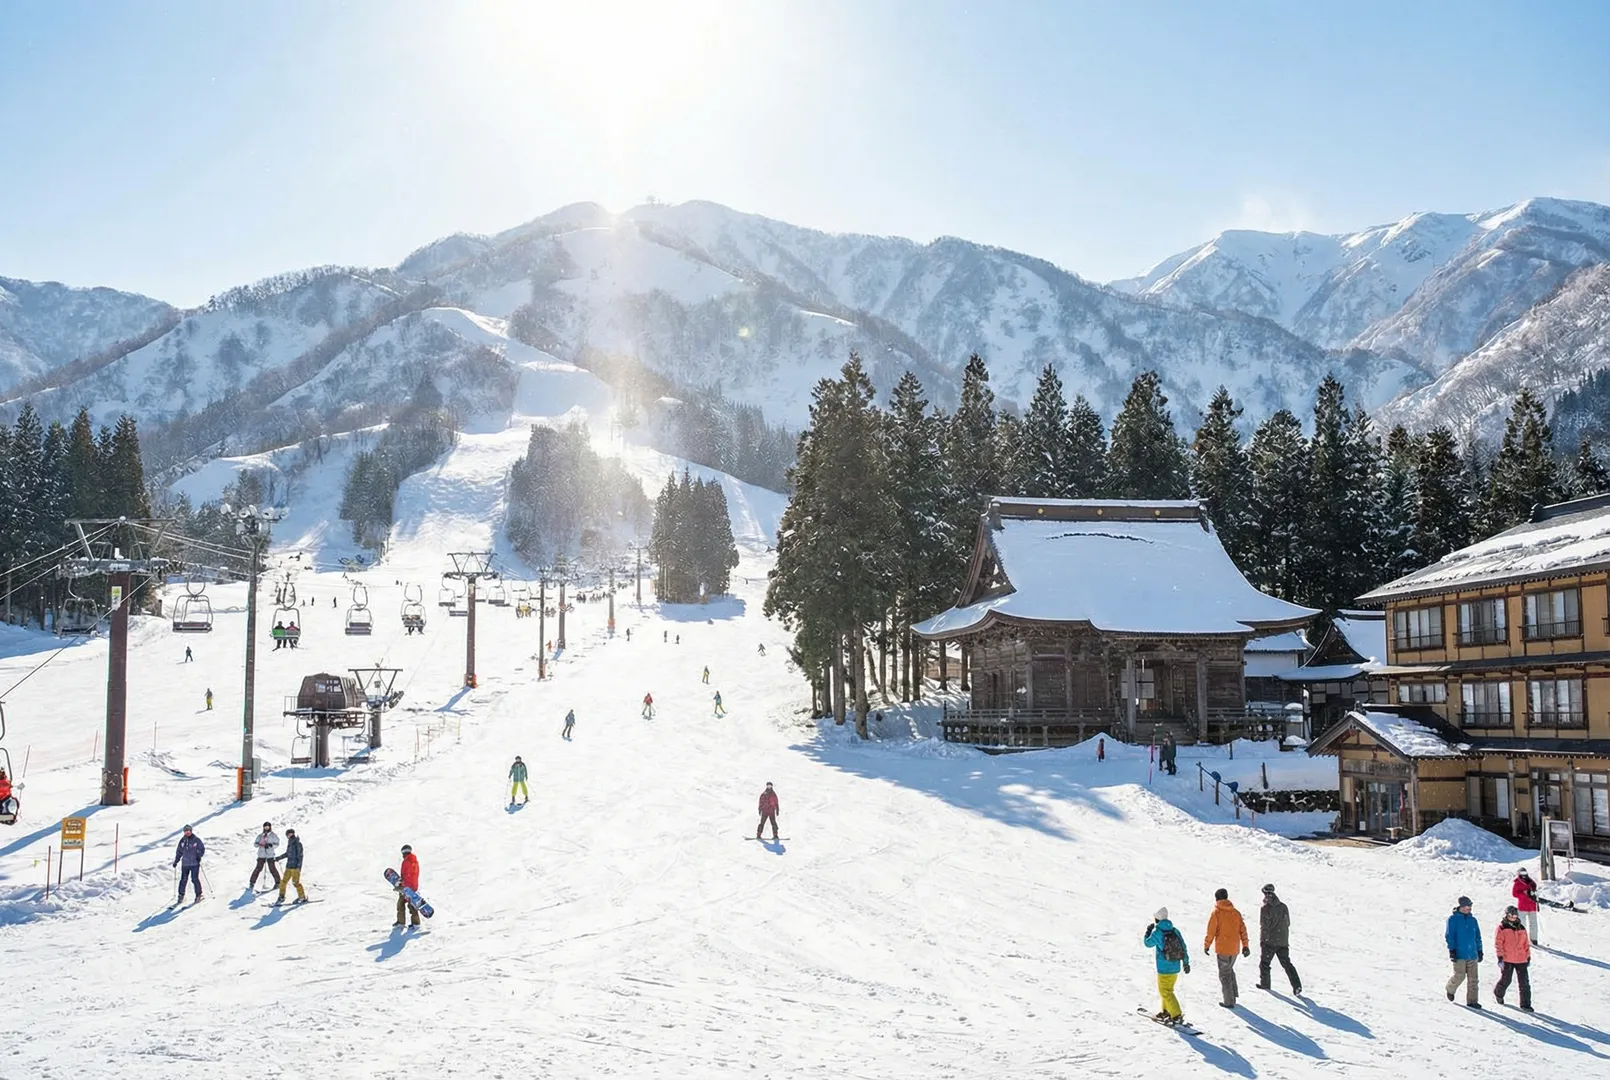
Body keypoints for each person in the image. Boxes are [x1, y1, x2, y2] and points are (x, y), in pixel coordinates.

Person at [1204, 887, 1250, 1008]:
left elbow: (1211, 931)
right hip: (1234, 949)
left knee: (1224, 974)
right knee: (1229, 969)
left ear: (1217, 898)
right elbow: (1243, 930)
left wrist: (1207, 945)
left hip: (1223, 948)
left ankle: (1229, 1001)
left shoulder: (1216, 913)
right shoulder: (1236, 913)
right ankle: (1233, 994)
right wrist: (1245, 945)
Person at [1144, 906, 1190, 1025]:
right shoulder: (1175, 931)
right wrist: (1186, 962)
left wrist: (1148, 932)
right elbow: (1183, 947)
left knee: (1165, 992)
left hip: (1164, 969)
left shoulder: (1158, 933)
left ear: (1157, 919)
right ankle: (1166, 1011)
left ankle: (1176, 1015)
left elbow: (1148, 943)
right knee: (1167, 990)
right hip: (1175, 967)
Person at [1255, 883, 1301, 994]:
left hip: (1269, 941)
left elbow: (1264, 925)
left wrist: (1263, 939)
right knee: (1287, 964)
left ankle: (1265, 984)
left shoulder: (1265, 908)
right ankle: (1297, 986)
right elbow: (1288, 923)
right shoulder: (1283, 906)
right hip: (1283, 941)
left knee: (1265, 963)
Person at [1445, 895, 1483, 1008]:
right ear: (1461, 906)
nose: (1469, 908)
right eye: (1467, 906)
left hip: (1472, 954)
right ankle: (1450, 988)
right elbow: (1449, 936)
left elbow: (1478, 936)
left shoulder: (1473, 920)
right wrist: (1452, 950)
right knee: (1460, 975)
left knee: (1473, 979)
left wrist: (1480, 950)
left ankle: (1472, 1001)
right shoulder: (1453, 920)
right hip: (1460, 953)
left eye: (1470, 906)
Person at [1493, 905, 1533, 1011]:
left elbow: (1525, 944)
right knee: (1506, 980)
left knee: (1524, 982)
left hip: (1521, 959)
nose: (1513, 918)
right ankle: (1498, 993)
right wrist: (1500, 957)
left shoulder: (1521, 927)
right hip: (1507, 959)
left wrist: (1527, 956)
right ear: (1507, 915)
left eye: (1515, 916)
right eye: (1511, 916)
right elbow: (1498, 943)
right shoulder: (1502, 928)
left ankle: (1525, 1004)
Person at [173, 825, 205, 903]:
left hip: (194, 863)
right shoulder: (182, 841)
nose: (187, 832)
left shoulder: (196, 840)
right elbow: (179, 852)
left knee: (194, 879)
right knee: (183, 880)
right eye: (185, 831)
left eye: (188, 831)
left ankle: (199, 895)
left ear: (191, 831)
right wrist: (176, 861)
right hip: (185, 864)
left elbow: (202, 849)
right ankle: (181, 896)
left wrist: (199, 855)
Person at [275, 827, 307, 903]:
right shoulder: (290, 843)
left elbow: (300, 855)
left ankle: (302, 897)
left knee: (295, 882)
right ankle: (281, 896)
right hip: (289, 866)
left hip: (295, 867)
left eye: (290, 834)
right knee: (283, 882)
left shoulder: (297, 843)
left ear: (293, 834)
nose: (289, 836)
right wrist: (279, 858)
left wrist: (299, 867)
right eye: (288, 835)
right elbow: (287, 854)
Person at [394, 844, 422, 928]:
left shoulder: (407, 861)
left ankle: (401, 923)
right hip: (412, 886)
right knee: (411, 904)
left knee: (401, 904)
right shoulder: (414, 861)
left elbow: (407, 875)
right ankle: (415, 923)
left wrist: (401, 885)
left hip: (406, 887)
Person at [1511, 869, 1540, 944]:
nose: (1524, 875)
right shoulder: (1517, 883)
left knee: (1533, 923)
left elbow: (1535, 890)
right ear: (1519, 874)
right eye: (1522, 873)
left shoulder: (1531, 881)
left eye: (1525, 873)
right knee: (1522, 924)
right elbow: (1514, 894)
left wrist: (1534, 894)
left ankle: (1534, 939)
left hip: (1532, 906)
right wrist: (1524, 894)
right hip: (1523, 906)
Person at [250, 822, 282, 890]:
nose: (266, 828)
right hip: (261, 854)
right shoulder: (261, 835)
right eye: (265, 827)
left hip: (270, 854)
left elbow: (277, 843)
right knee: (258, 868)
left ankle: (278, 882)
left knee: (272, 869)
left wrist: (271, 846)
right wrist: (260, 844)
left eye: (268, 826)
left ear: (270, 827)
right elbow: (255, 844)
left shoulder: (273, 835)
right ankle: (252, 882)